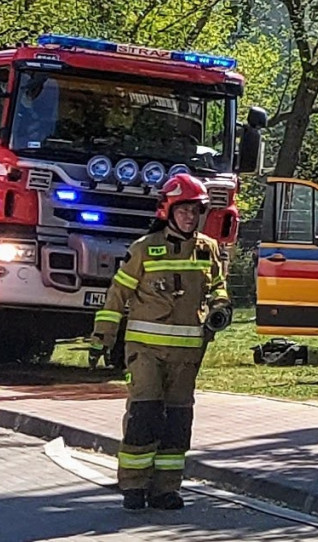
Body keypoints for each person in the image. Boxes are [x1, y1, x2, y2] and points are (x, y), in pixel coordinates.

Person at [88, 173, 230, 511]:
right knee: (145, 414)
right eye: (183, 210)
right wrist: (102, 337)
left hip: (187, 354)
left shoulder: (207, 249)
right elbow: (117, 295)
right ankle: (134, 485)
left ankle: (166, 489)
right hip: (145, 352)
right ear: (167, 211)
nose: (190, 217)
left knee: (178, 422)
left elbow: (218, 287)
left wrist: (221, 307)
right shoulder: (144, 249)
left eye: (195, 211)